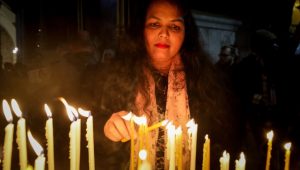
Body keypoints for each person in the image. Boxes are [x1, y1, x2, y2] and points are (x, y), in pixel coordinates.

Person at [99, 0, 240, 169]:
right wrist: (107, 129)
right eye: (154, 24)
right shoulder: (115, 76)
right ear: (141, 30)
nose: (164, 33)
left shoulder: (207, 84)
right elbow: (90, 133)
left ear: (185, 34)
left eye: (174, 27)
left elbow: (223, 146)